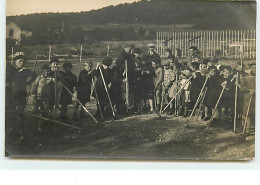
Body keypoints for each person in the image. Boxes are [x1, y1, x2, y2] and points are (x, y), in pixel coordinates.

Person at [12, 52, 37, 139]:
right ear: (15, 61)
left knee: (20, 113)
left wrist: (28, 81)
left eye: (23, 61)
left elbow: (34, 75)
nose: (22, 62)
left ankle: (21, 132)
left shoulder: (26, 71)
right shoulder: (11, 70)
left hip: (21, 95)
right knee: (10, 113)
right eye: (20, 61)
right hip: (10, 94)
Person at [30, 64, 52, 131]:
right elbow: (33, 87)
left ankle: (41, 126)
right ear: (42, 71)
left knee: (44, 111)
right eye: (45, 71)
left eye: (48, 71)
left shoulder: (50, 79)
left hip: (46, 98)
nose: (46, 73)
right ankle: (32, 125)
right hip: (38, 97)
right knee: (35, 111)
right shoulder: (39, 78)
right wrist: (33, 96)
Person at [239, 63, 255, 136]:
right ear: (250, 68)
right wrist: (249, 90)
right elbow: (242, 87)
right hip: (247, 97)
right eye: (253, 67)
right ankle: (247, 129)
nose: (254, 69)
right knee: (247, 113)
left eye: (256, 67)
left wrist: (255, 91)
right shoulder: (246, 77)